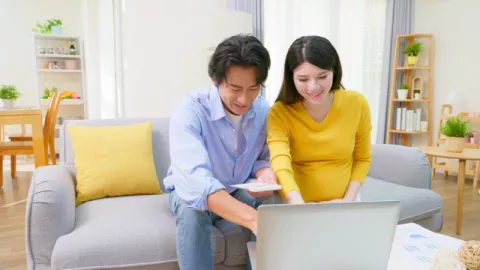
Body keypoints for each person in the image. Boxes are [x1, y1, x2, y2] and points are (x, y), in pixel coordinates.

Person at [163, 34, 277, 270]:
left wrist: (264, 171)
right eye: (234, 88)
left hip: (236, 188)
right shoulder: (190, 110)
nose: (244, 99)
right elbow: (196, 181)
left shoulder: (263, 110)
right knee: (193, 211)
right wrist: (252, 219)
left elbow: (261, 157)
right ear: (215, 80)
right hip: (193, 190)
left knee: (272, 204)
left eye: (253, 88)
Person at [266, 35, 372, 205]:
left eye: (322, 77)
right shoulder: (279, 113)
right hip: (297, 205)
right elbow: (280, 162)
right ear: (291, 77)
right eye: (303, 79)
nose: (313, 86)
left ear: (334, 71)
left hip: (347, 203)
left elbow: (362, 159)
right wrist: (298, 204)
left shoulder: (357, 103)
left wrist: (347, 201)